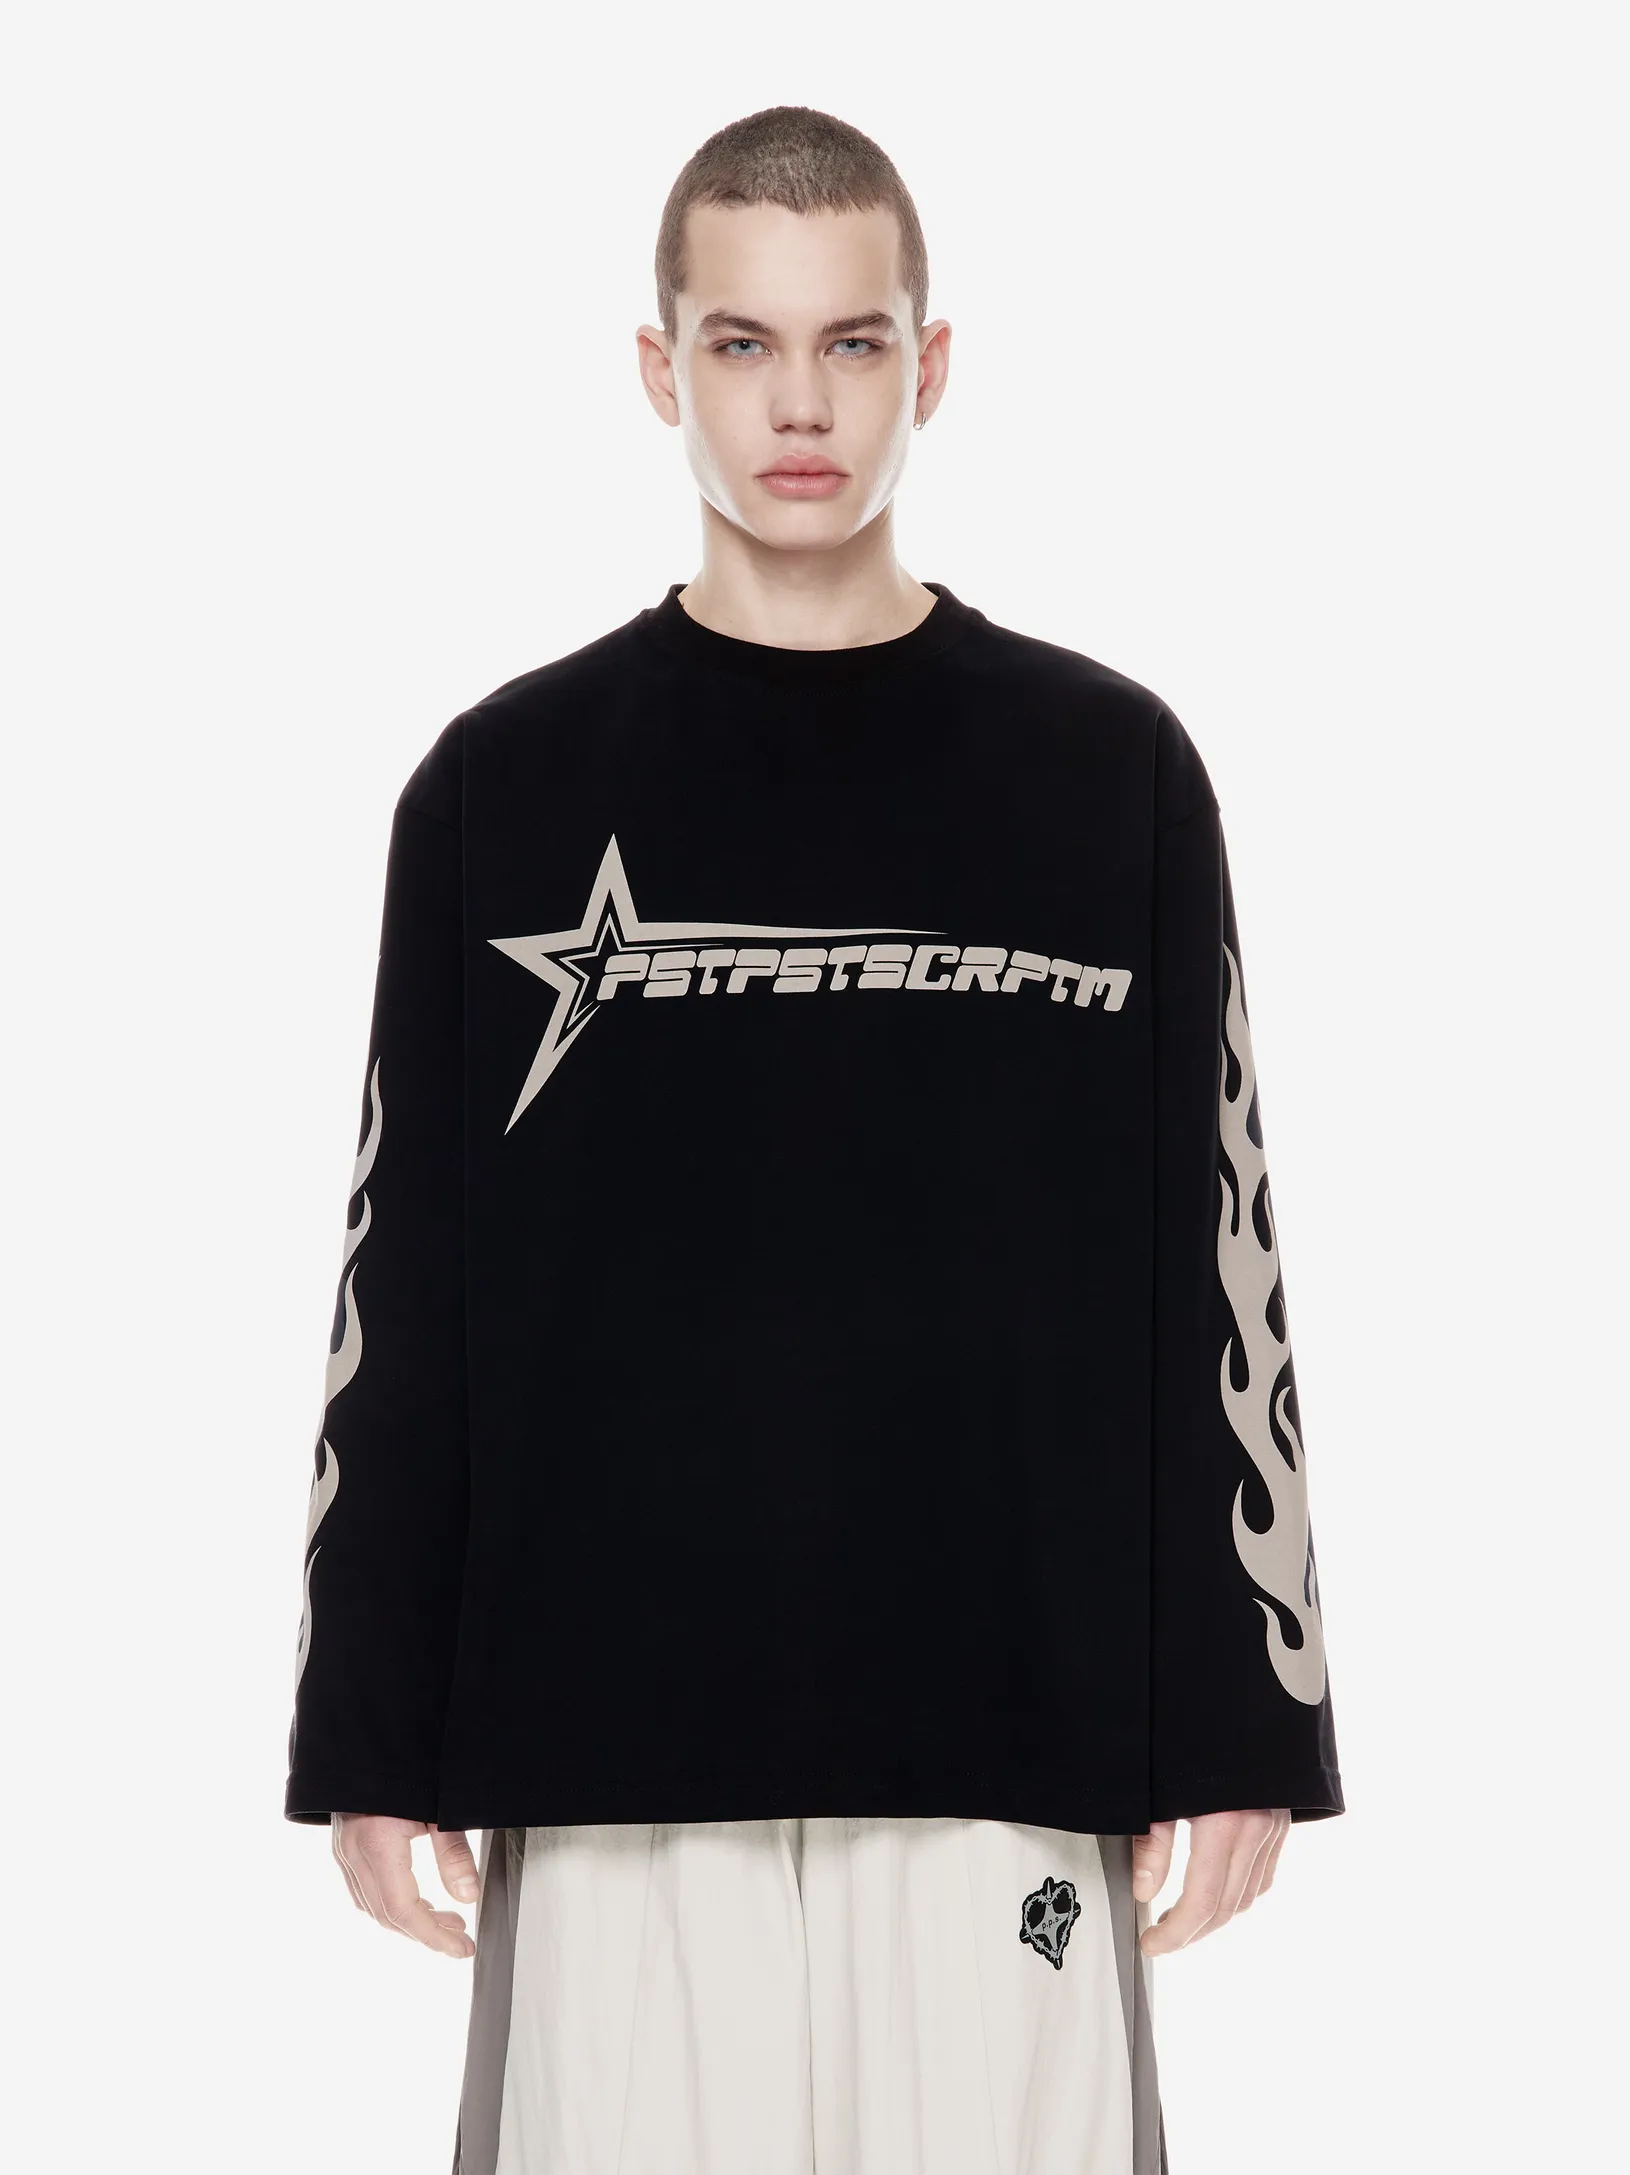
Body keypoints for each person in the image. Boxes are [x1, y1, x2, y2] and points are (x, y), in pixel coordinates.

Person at [284, 103, 1344, 2175]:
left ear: (925, 365)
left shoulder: (1103, 773)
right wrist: (370, 1726)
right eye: (745, 343)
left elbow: (1212, 1248)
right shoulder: (502, 786)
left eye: (851, 343)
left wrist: (1247, 1714)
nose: (799, 405)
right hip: (606, 1746)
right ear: (659, 365)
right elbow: (404, 1281)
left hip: (1008, 1734)